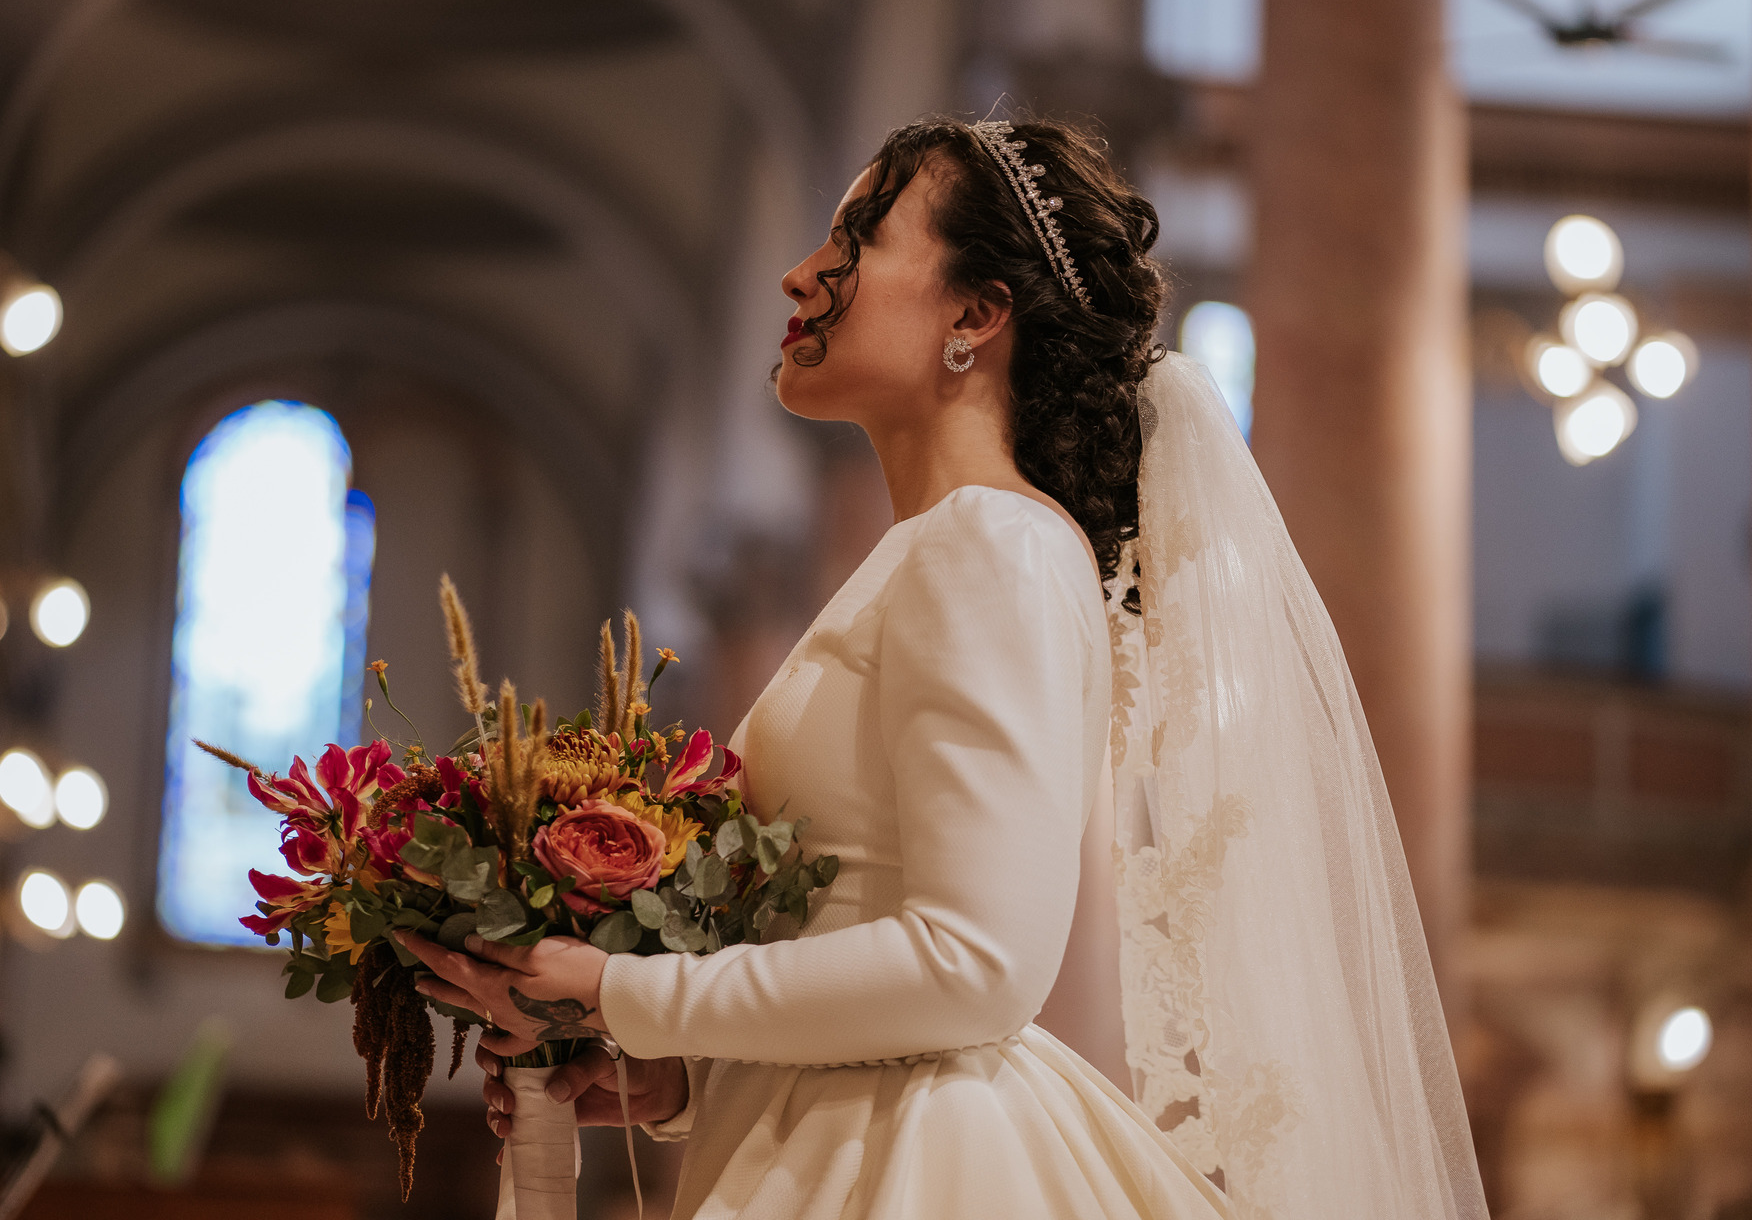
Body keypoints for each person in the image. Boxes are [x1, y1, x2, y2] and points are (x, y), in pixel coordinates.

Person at [400, 116, 1488, 1220]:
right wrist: (675, 1075)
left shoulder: (991, 543)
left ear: (975, 314)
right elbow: (874, 938)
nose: (800, 273)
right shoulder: (938, 548)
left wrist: (631, 990)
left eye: (856, 239)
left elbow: (975, 960)